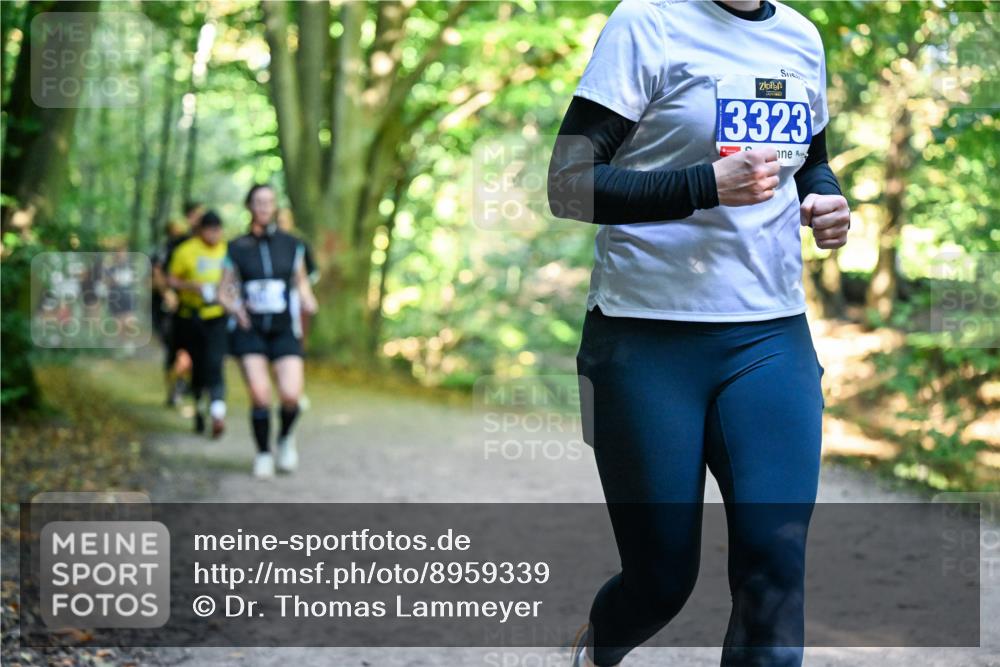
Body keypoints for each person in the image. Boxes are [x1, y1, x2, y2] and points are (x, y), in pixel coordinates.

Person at [547, 1, 851, 666]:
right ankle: (595, 647)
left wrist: (825, 198)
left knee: (775, 567)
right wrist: (703, 185)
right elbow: (567, 185)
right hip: (643, 340)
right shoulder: (648, 22)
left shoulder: (800, 36)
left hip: (770, 336)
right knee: (659, 579)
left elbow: (812, 160)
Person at [219, 184, 318, 479]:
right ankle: (263, 453)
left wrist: (308, 298)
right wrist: (234, 307)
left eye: (269, 202)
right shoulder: (235, 248)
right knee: (261, 396)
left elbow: (300, 282)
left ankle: (285, 438)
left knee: (290, 395)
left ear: (275, 206)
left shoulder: (292, 245)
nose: (264, 207)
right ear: (249, 206)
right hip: (250, 331)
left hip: (283, 329)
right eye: (258, 202)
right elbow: (223, 291)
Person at [167, 210, 229, 438]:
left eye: (217, 229)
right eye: (210, 229)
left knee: (215, 362)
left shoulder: (228, 251)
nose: (214, 234)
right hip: (190, 316)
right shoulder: (186, 251)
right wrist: (192, 287)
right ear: (201, 230)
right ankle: (200, 407)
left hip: (217, 316)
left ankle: (217, 410)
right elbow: (171, 278)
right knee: (197, 365)